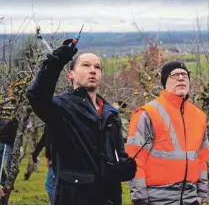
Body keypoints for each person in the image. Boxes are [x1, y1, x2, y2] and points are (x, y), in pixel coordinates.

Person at [27, 45, 136, 204]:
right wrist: (55, 63)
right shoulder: (62, 107)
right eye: (86, 65)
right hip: (74, 198)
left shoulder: (111, 113)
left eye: (97, 67)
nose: (93, 70)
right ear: (71, 74)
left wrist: (125, 168)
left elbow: (119, 154)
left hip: (110, 199)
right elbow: (37, 97)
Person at [126, 61, 209, 205]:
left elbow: (202, 159)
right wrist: (140, 200)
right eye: (175, 75)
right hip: (157, 198)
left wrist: (201, 195)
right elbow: (135, 160)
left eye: (184, 75)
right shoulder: (148, 113)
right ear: (165, 81)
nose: (181, 78)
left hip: (190, 199)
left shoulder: (199, 116)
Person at [31, 126, 55, 204]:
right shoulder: (48, 125)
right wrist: (36, 153)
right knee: (54, 185)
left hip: (58, 159)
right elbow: (44, 139)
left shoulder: (57, 122)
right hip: (52, 159)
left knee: (49, 185)